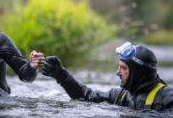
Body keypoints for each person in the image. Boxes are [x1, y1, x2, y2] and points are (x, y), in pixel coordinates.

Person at [42, 42, 173, 111]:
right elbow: (85, 96)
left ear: (139, 72)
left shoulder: (167, 99)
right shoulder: (120, 95)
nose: (117, 72)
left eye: (123, 68)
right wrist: (61, 75)